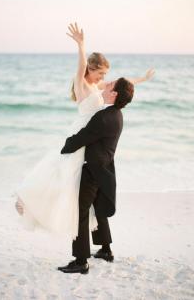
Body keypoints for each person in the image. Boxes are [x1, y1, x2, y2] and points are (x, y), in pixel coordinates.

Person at [14, 23, 154, 240]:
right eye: (100, 73)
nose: (102, 78)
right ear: (90, 69)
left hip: (91, 138)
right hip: (81, 136)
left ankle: (91, 237)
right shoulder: (82, 84)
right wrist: (81, 45)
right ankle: (29, 202)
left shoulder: (98, 87)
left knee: (75, 183)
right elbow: (81, 66)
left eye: (104, 74)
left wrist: (142, 80)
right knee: (63, 175)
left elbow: (121, 84)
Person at [58, 77, 134, 274]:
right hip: (105, 169)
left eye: (111, 85)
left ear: (114, 94)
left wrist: (63, 148)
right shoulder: (117, 114)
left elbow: (82, 137)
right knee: (98, 208)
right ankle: (106, 250)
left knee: (81, 212)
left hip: (93, 171)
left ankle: (81, 260)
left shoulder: (103, 117)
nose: (107, 84)